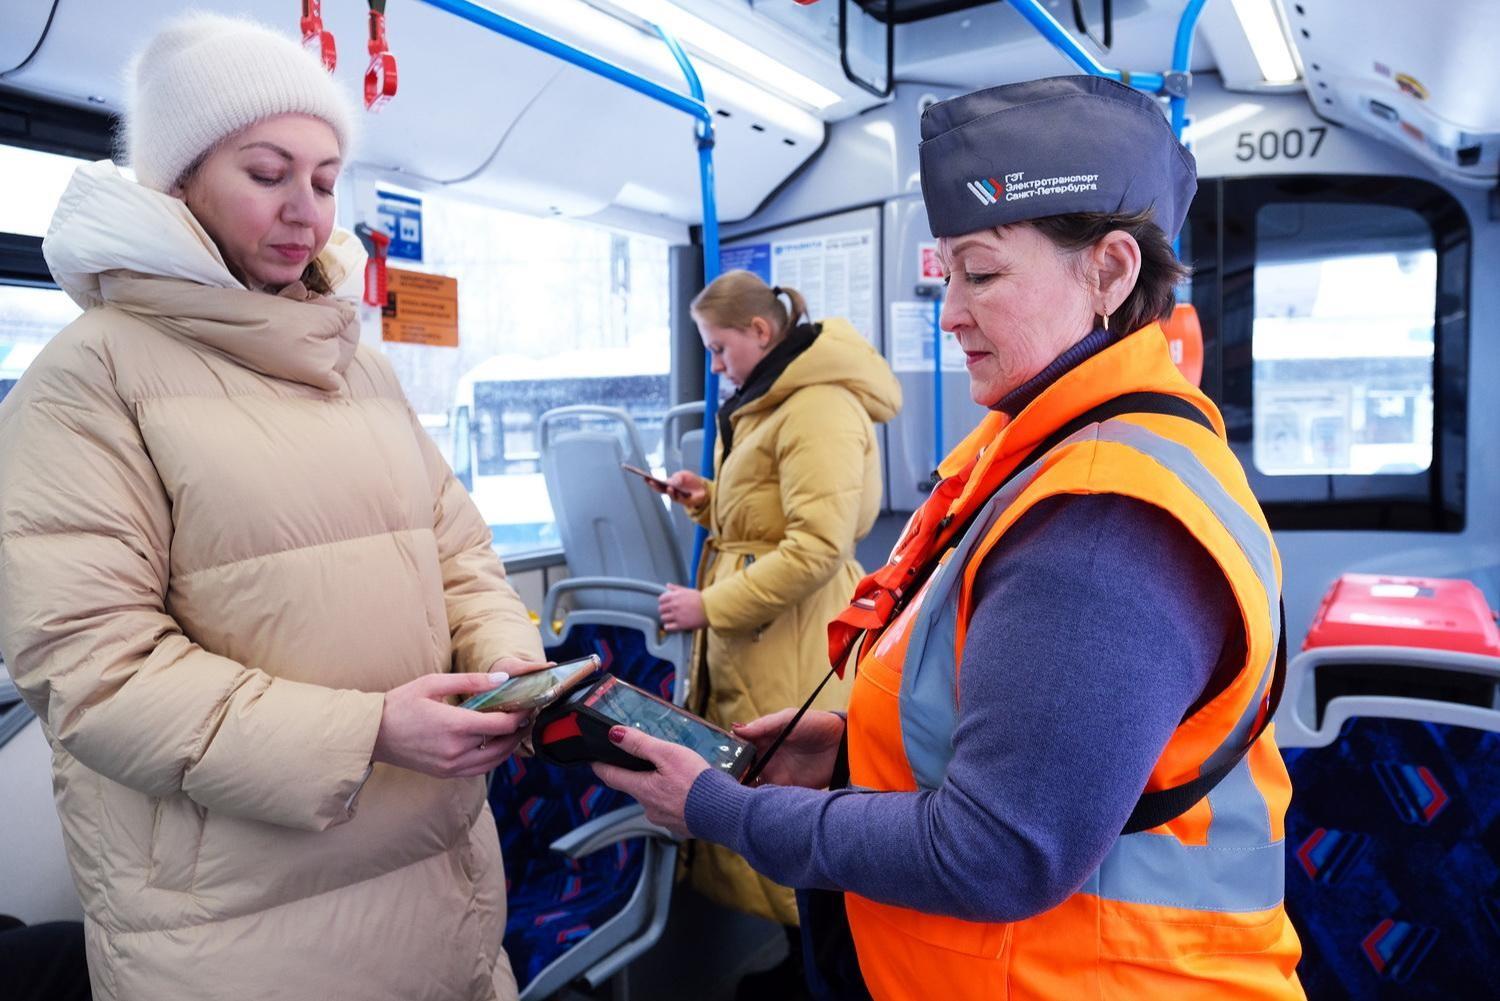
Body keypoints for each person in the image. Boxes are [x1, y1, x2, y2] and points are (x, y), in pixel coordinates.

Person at [596, 76, 1305, 1000]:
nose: (951, 311)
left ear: (1110, 271)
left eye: (981, 274)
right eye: (948, 276)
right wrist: (850, 753)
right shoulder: (1045, 453)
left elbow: (1000, 848)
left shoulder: (1099, 518)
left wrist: (727, 810)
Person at [0, 15, 545, 1001]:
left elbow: (461, 555)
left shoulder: (359, 369)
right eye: (268, 173)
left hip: (442, 884)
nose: (307, 211)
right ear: (179, 181)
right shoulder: (89, 379)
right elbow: (90, 666)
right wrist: (367, 731)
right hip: (238, 934)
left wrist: (507, 657)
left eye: (327, 180)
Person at [648, 271, 900, 986]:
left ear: (760, 332)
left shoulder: (816, 405)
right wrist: (705, 502)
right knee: (776, 811)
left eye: (720, 348)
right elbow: (766, 520)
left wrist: (708, 608)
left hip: (798, 638)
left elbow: (817, 547)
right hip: (764, 637)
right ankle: (800, 965)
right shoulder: (767, 401)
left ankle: (824, 973)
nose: (717, 365)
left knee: (798, 819)